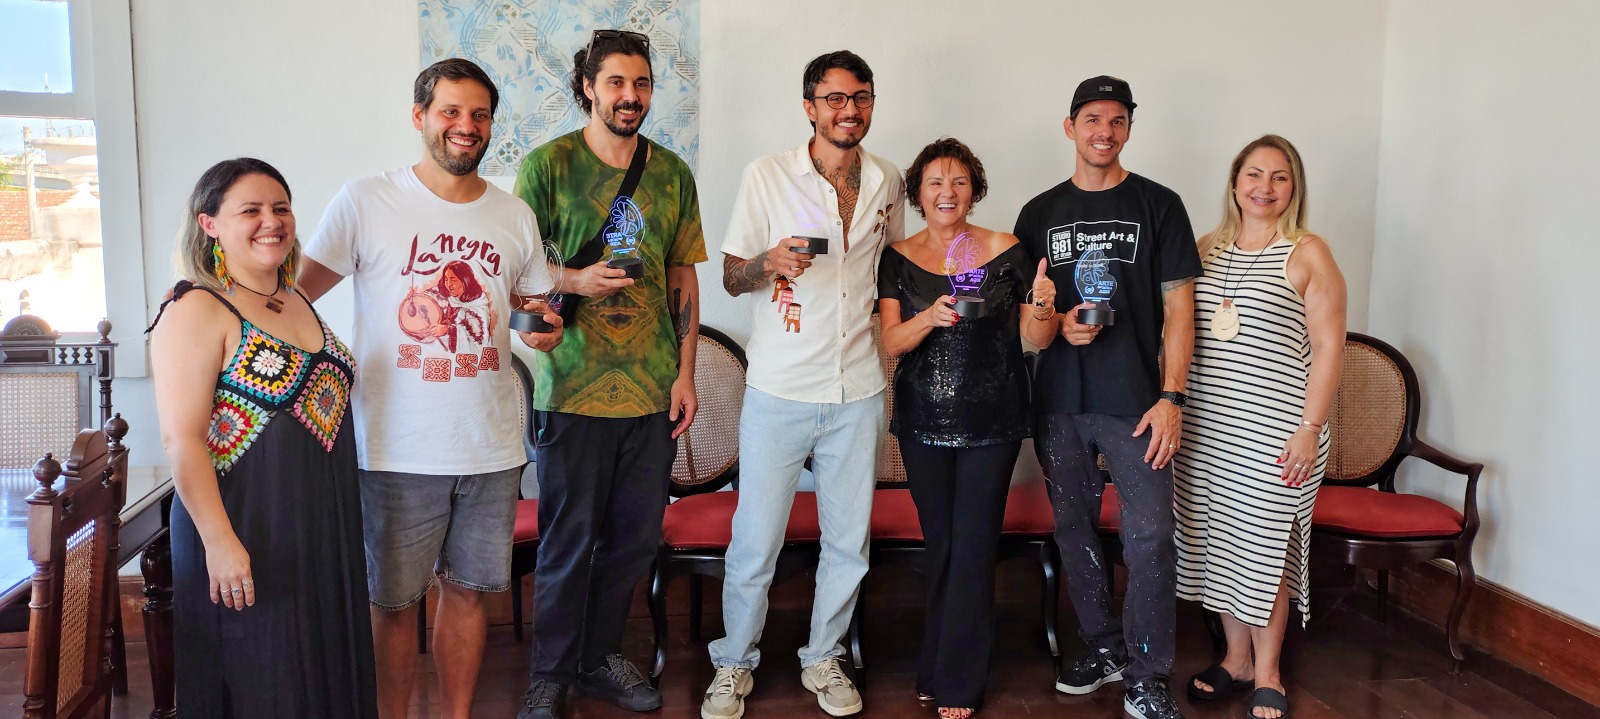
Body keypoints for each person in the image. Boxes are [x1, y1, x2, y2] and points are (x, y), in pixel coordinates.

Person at [297, 58, 562, 719]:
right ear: (420, 117)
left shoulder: (514, 214)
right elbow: (295, 297)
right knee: (392, 605)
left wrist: (543, 330)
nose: (465, 126)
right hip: (393, 447)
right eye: (450, 111)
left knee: (471, 594)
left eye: (478, 115)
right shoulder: (366, 200)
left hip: (490, 445)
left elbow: (528, 311)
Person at [510, 28, 706, 719]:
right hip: (570, 386)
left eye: (642, 83)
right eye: (617, 82)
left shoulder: (672, 172)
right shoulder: (546, 166)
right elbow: (518, 270)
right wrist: (573, 277)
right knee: (567, 540)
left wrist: (684, 375)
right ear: (588, 86)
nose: (631, 96)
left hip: (651, 389)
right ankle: (550, 670)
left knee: (631, 539)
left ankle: (598, 657)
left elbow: (681, 274)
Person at [705, 49, 905, 719]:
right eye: (835, 98)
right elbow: (731, 275)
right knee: (756, 538)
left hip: (860, 388)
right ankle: (733, 661)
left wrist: (894, 364)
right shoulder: (767, 174)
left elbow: (892, 278)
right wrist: (767, 262)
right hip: (780, 389)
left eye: (861, 97)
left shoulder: (887, 180)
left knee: (849, 540)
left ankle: (823, 654)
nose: (849, 110)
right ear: (810, 106)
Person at [149, 158, 378, 717]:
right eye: (249, 210)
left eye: (280, 208)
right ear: (210, 225)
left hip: (322, 526)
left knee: (322, 672)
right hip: (246, 528)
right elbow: (183, 441)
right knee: (261, 679)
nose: (270, 221)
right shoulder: (196, 307)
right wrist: (220, 543)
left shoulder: (297, 298)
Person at [1013, 75, 1200, 719]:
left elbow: (1181, 309)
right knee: (1073, 527)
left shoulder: (1160, 205)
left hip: (1138, 403)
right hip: (1059, 400)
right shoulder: (1038, 215)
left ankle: (1148, 673)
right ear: (1070, 126)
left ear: (1128, 129)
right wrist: (1053, 322)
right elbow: (1027, 324)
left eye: (1118, 120)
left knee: (1150, 534)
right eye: (1093, 118)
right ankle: (1101, 646)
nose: (1104, 131)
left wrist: (1172, 396)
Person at [1175, 134, 1346, 719]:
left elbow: (1328, 349)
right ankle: (1235, 660)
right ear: (1234, 182)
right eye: (1254, 175)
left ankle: (1269, 671)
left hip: (1278, 431)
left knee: (1264, 550)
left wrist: (1310, 426)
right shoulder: (1205, 249)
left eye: (1278, 177)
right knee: (1219, 546)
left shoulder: (1308, 252)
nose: (1264, 188)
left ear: (1293, 187)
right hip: (1207, 428)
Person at [876, 138, 1042, 719]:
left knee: (974, 546)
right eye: (935, 184)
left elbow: (1033, 339)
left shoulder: (1010, 250)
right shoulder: (897, 257)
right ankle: (938, 662)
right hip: (922, 418)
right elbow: (891, 343)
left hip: (993, 418)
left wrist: (1043, 306)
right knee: (943, 545)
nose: (947, 193)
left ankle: (959, 681)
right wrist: (929, 316)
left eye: (959, 183)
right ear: (918, 194)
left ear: (975, 190)